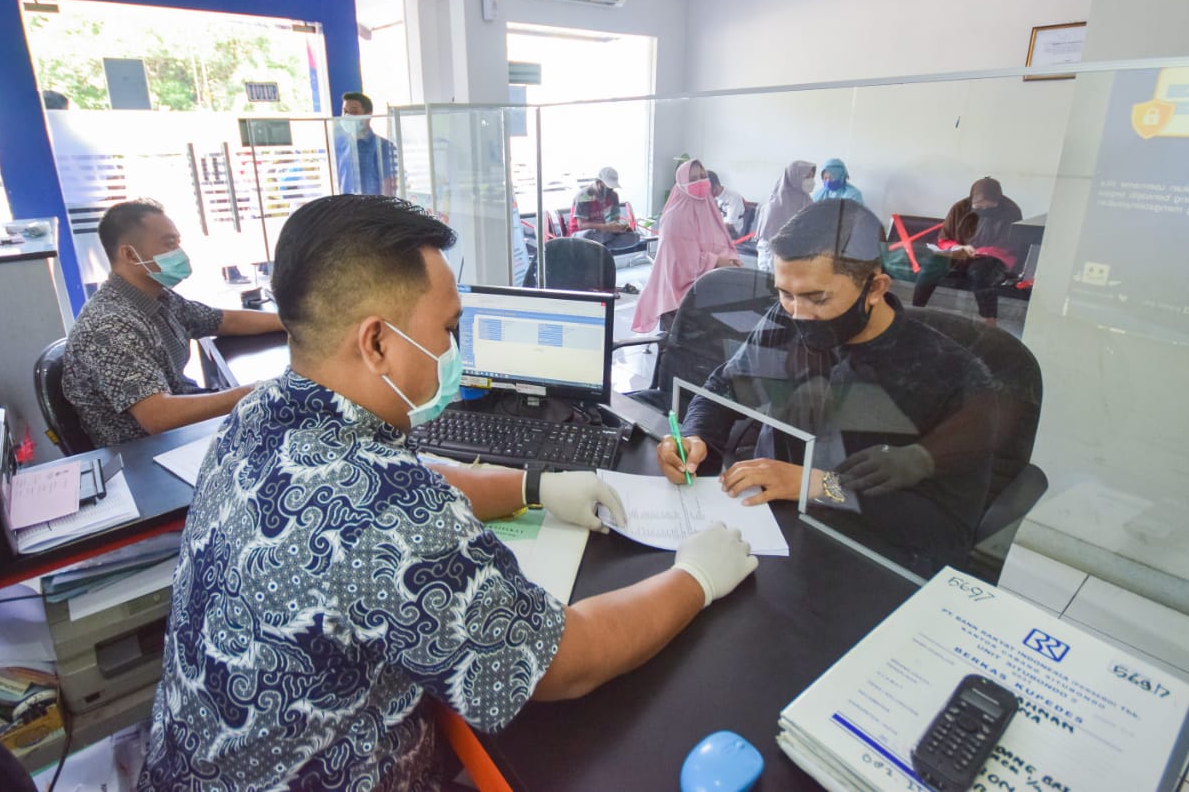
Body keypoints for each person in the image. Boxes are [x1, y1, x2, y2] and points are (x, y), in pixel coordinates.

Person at [138, 194, 758, 791]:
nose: (455, 352)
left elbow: (415, 474)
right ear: (377, 342)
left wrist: (532, 485)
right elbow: (567, 662)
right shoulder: (385, 505)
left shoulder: (261, 413)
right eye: (449, 329)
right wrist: (695, 578)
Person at [655, 199, 996, 577]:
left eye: (817, 298)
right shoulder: (786, 319)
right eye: (785, 292)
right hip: (762, 525)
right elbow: (725, 385)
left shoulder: (950, 376)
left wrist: (820, 485)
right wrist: (695, 436)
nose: (797, 313)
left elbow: (945, 528)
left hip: (860, 558)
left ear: (875, 287)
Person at [62, 199, 284, 447]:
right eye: (169, 244)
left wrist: (293, 322)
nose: (179, 253)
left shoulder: (157, 297)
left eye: (178, 243)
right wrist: (256, 392)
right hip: (149, 451)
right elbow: (158, 417)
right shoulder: (109, 325)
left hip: (180, 431)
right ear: (129, 254)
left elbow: (223, 320)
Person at [633, 159, 743, 332]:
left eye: (703, 176)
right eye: (693, 179)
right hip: (680, 298)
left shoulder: (707, 207)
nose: (700, 182)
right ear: (682, 184)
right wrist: (718, 261)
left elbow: (719, 240)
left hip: (707, 289)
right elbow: (682, 263)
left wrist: (730, 258)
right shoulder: (675, 216)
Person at [914, 177, 1023, 326]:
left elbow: (1010, 245)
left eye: (989, 206)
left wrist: (980, 252)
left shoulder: (1010, 211)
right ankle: (916, 312)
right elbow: (944, 239)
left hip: (993, 257)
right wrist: (959, 248)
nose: (983, 209)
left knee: (981, 273)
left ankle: (989, 321)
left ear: (998, 201)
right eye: (979, 205)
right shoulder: (960, 208)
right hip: (959, 253)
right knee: (931, 265)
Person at [754, 160, 816, 273]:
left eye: (812, 177)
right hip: (775, 261)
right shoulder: (775, 207)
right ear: (795, 178)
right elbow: (767, 245)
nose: (811, 181)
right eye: (807, 177)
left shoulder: (807, 201)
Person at [335, 92, 399, 196]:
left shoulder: (383, 146)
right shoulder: (343, 148)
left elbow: (389, 187)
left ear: (368, 114)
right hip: (347, 209)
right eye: (345, 112)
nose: (348, 116)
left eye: (354, 112)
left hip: (373, 209)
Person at [571, 166, 640, 250]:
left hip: (605, 233)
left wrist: (621, 227)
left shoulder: (613, 195)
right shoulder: (584, 195)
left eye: (611, 188)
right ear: (597, 182)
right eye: (606, 188)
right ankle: (602, 247)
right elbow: (581, 225)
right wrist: (606, 227)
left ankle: (601, 248)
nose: (608, 191)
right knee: (591, 235)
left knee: (635, 237)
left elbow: (615, 219)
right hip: (583, 234)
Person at [708, 170, 746, 237]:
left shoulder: (733, 197)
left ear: (716, 187)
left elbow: (729, 224)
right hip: (719, 230)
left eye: (708, 190)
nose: (707, 193)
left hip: (733, 232)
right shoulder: (713, 197)